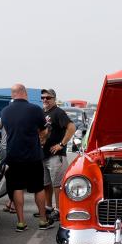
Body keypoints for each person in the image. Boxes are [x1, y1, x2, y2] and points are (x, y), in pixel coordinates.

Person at [0, 84, 52, 231]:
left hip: (14, 156)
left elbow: (8, 130)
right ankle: (43, 221)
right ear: (24, 93)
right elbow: (44, 131)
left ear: (13, 95)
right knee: (38, 188)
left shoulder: (5, 111)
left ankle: (21, 223)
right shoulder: (35, 109)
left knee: (17, 188)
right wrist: (42, 137)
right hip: (33, 156)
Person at [38, 89, 76, 220]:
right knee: (46, 184)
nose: (45, 100)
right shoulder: (43, 113)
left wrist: (61, 144)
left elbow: (71, 127)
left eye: (48, 97)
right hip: (43, 155)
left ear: (54, 99)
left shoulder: (58, 112)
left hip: (56, 156)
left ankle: (59, 210)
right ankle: (48, 208)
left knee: (57, 185)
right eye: (42, 97)